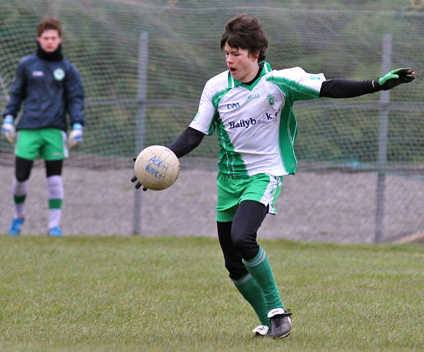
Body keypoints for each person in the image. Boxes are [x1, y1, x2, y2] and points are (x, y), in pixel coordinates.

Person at [131, 13, 415, 338]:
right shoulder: (216, 87)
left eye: (236, 53)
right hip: (229, 181)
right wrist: (160, 159)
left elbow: (330, 87)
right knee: (233, 264)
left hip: (265, 175)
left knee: (243, 238)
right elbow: (194, 133)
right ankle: (268, 322)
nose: (229, 59)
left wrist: (377, 84)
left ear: (254, 53)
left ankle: (278, 310)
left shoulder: (281, 82)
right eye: (226, 53)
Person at [2, 17, 85, 237]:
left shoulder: (67, 68)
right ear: (39, 39)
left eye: (53, 38)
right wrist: (9, 118)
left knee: (55, 179)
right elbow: (16, 94)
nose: (50, 42)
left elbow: (75, 98)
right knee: (20, 177)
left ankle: (53, 226)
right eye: (46, 38)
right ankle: (18, 216)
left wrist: (77, 125)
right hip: (28, 127)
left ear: (59, 39)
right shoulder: (26, 65)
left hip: (55, 129)